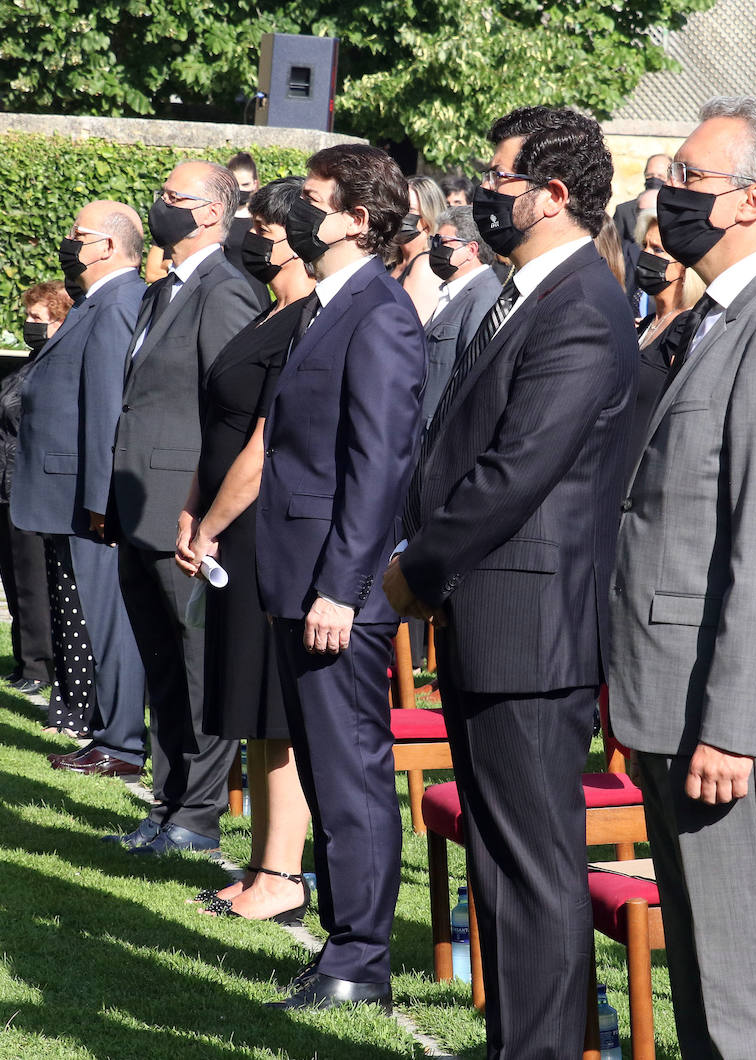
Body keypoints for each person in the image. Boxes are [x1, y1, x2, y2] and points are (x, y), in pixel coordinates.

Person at [384, 105, 637, 1056]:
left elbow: (516, 469)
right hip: (491, 614)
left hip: (529, 624)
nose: (482, 192)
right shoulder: (526, 288)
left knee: (532, 869)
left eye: (500, 179)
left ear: (555, 195)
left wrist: (417, 570)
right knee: (500, 861)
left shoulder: (579, 303)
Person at [608, 96, 756, 1059]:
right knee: (702, 957)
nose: (666, 192)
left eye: (689, 179)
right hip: (671, 685)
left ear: (752, 201)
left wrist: (734, 728)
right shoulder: (723, 313)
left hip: (716, 708)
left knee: (737, 963)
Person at [257, 144, 425, 1010]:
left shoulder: (380, 313)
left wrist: (342, 586)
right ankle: (341, 942)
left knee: (352, 775)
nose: (298, 209)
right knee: (327, 772)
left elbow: (380, 462)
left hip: (338, 590)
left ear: (358, 218)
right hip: (301, 576)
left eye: (316, 199)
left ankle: (361, 960)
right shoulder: (333, 305)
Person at [104, 160, 260, 853]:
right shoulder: (162, 290)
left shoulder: (225, 290)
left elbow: (230, 412)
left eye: (173, 197)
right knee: (161, 665)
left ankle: (198, 814)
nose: (159, 205)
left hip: (185, 510)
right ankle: (167, 802)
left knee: (198, 667)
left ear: (210, 213)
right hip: (141, 504)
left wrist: (207, 513)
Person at [173, 176, 315, 923]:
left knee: (275, 711)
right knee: (251, 713)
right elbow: (217, 423)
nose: (251, 237)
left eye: (263, 227)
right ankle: (264, 865)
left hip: (260, 530)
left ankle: (283, 878)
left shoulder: (308, 321)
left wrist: (213, 524)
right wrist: (193, 508)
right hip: (228, 524)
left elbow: (263, 445)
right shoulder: (270, 312)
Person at [14, 206, 146, 772]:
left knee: (106, 618)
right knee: (90, 615)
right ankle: (103, 731)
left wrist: (100, 501)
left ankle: (122, 743)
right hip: (68, 493)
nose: (69, 243)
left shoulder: (117, 303)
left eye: (79, 236)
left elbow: (106, 410)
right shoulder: (96, 301)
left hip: (87, 497)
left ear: (110, 246)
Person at [0, 282, 66, 696]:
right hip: (3, 485)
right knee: (12, 577)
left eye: (38, 318)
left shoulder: (55, 368)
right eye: (29, 316)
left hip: (28, 486)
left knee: (34, 580)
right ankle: (24, 660)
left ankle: (39, 667)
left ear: (59, 321)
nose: (29, 324)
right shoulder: (28, 364)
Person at [626, 204, 706, 481]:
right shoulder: (647, 324)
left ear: (685, 268)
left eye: (658, 250)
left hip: (641, 477)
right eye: (645, 246)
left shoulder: (685, 328)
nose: (646, 255)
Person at [422, 204, 502, 426]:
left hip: (437, 432)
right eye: (434, 242)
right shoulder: (454, 291)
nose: (435, 249)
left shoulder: (484, 297)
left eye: (443, 243)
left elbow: (470, 377)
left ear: (471, 250)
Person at [394, 175, 447, 323]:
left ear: (428, 216)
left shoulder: (425, 266)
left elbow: (409, 328)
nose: (400, 214)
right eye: (398, 206)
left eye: (409, 209)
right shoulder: (394, 261)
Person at [225, 151, 271, 309]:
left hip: (258, 294)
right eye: (234, 184)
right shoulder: (221, 219)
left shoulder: (264, 219)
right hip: (228, 293)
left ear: (255, 184)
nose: (239, 190)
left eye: (245, 185)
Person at [613, 152, 672, 244]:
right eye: (650, 175)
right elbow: (613, 247)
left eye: (660, 176)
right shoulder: (624, 211)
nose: (654, 179)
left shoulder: (676, 211)